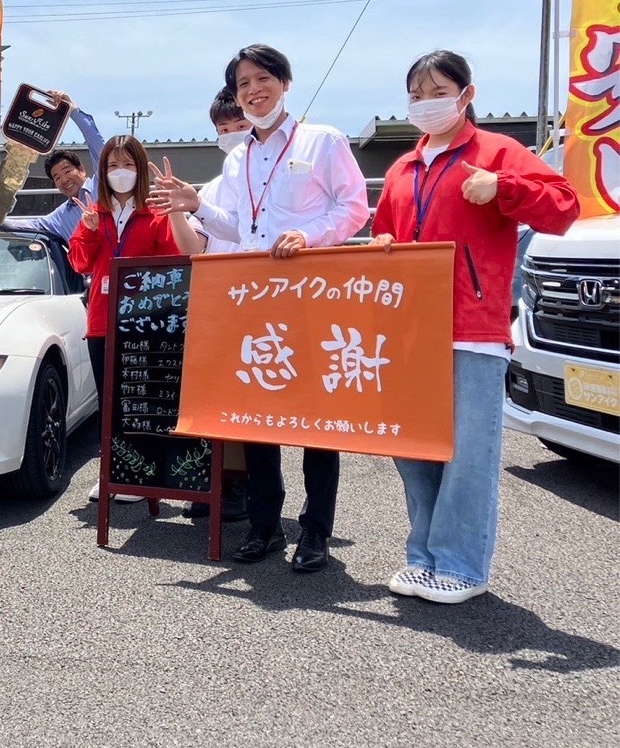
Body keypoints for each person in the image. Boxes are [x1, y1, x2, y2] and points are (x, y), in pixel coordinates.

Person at [149, 44, 369, 572]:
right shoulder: (237, 156)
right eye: (243, 83)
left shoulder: (324, 140)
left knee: (317, 422)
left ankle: (315, 530)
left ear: (285, 83)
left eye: (263, 78)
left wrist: (309, 234)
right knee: (262, 414)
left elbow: (355, 206)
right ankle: (265, 525)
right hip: (256, 303)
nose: (254, 90)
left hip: (313, 301)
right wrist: (197, 205)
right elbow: (240, 230)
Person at [371, 50, 579, 603]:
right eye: (416, 94)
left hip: (471, 327)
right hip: (408, 330)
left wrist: (503, 189)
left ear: (467, 95)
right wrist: (383, 244)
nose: (425, 103)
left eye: (437, 91)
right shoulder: (401, 169)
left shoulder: (498, 153)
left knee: (469, 454)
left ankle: (462, 563)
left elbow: (563, 207)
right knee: (413, 446)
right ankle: (423, 555)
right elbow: (385, 234)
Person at [68, 135, 204, 504]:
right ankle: (113, 471)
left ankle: (139, 475)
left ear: (140, 170)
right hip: (101, 321)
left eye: (128, 165)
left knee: (139, 401)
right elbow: (79, 263)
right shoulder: (95, 212)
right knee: (108, 401)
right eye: (113, 166)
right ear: (103, 172)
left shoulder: (155, 212)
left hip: (144, 322)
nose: (120, 173)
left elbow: (176, 259)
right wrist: (91, 231)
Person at [176, 87, 252, 522]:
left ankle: (244, 489)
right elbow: (196, 247)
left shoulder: (277, 175)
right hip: (219, 303)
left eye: (239, 126)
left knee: (253, 399)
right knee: (216, 399)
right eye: (224, 129)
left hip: (262, 302)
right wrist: (175, 210)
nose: (232, 135)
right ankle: (216, 483)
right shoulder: (213, 187)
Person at [0, 93, 105, 242]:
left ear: (82, 169)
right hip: (84, 265)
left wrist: (73, 110)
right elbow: (35, 225)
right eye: (57, 177)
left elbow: (96, 143)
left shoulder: (102, 185)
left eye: (67, 171)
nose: (64, 179)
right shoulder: (61, 216)